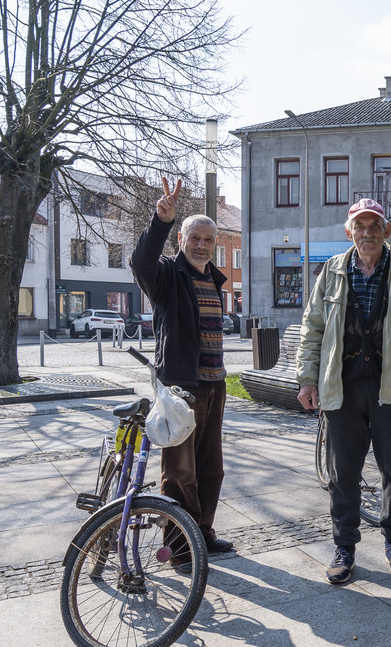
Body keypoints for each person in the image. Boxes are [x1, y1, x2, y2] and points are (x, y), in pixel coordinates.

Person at [296, 198, 391, 585]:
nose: (368, 232)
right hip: (342, 389)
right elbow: (313, 330)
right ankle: (344, 548)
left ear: (385, 231)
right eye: (360, 226)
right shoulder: (332, 271)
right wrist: (307, 379)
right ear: (349, 233)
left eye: (374, 225)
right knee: (343, 474)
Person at [129, 177, 233, 561]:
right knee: (179, 471)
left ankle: (203, 533)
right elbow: (140, 262)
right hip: (180, 390)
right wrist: (161, 221)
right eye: (195, 238)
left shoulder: (213, 279)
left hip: (215, 386)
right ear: (181, 240)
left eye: (208, 239)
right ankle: (179, 544)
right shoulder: (169, 276)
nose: (202, 244)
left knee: (211, 468)